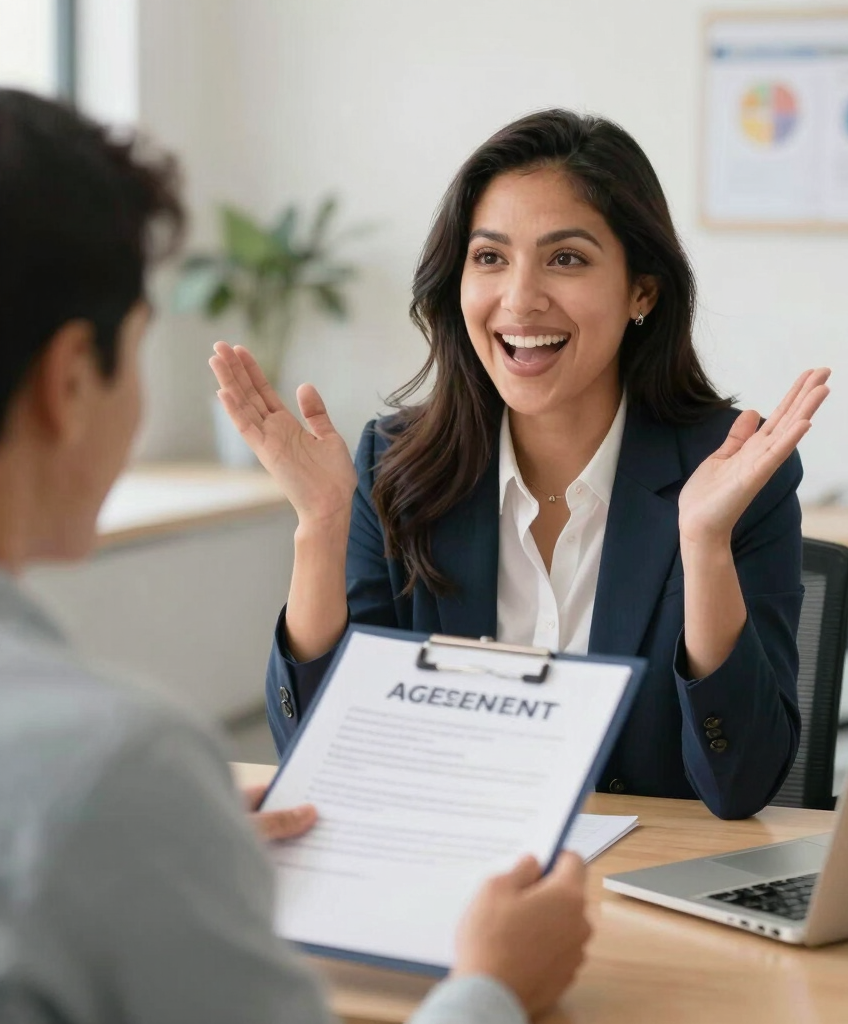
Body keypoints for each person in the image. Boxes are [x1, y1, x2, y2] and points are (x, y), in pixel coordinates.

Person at [0, 89, 590, 1024]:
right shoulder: (116, 765)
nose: (520, 296)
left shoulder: (119, 789)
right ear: (72, 381)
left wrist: (166, 839)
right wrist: (495, 988)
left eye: (566, 257)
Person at [213, 109, 829, 820]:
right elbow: (322, 756)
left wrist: (705, 547)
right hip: (446, 876)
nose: (519, 298)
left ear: (642, 292)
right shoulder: (397, 464)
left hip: (638, 892)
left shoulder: (734, 474)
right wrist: (321, 527)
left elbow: (742, 784)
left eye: (566, 258)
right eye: (490, 257)